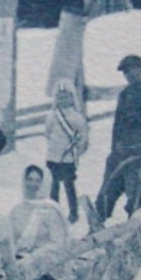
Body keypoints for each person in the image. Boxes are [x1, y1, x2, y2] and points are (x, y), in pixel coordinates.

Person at [97, 54, 141, 220]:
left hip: (140, 152)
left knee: (134, 196)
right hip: (121, 152)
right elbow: (117, 126)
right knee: (107, 193)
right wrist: (114, 151)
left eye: (132, 70)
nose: (129, 75)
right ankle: (97, 227)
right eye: (126, 72)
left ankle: (135, 230)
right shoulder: (124, 95)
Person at [10, 164, 70, 280]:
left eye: (38, 181)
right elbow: (11, 238)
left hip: (44, 263)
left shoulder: (50, 209)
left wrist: (33, 256)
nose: (33, 184)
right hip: (20, 259)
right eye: (29, 179)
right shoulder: (16, 209)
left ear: (45, 183)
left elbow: (58, 243)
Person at [44, 81, 89, 223]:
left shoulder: (76, 117)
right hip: (53, 156)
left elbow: (82, 135)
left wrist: (77, 148)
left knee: (69, 185)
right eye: (59, 97)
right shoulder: (52, 116)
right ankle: (54, 212)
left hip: (68, 157)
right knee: (53, 185)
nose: (62, 100)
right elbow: (47, 132)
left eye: (66, 97)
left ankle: (73, 213)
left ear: (72, 98)